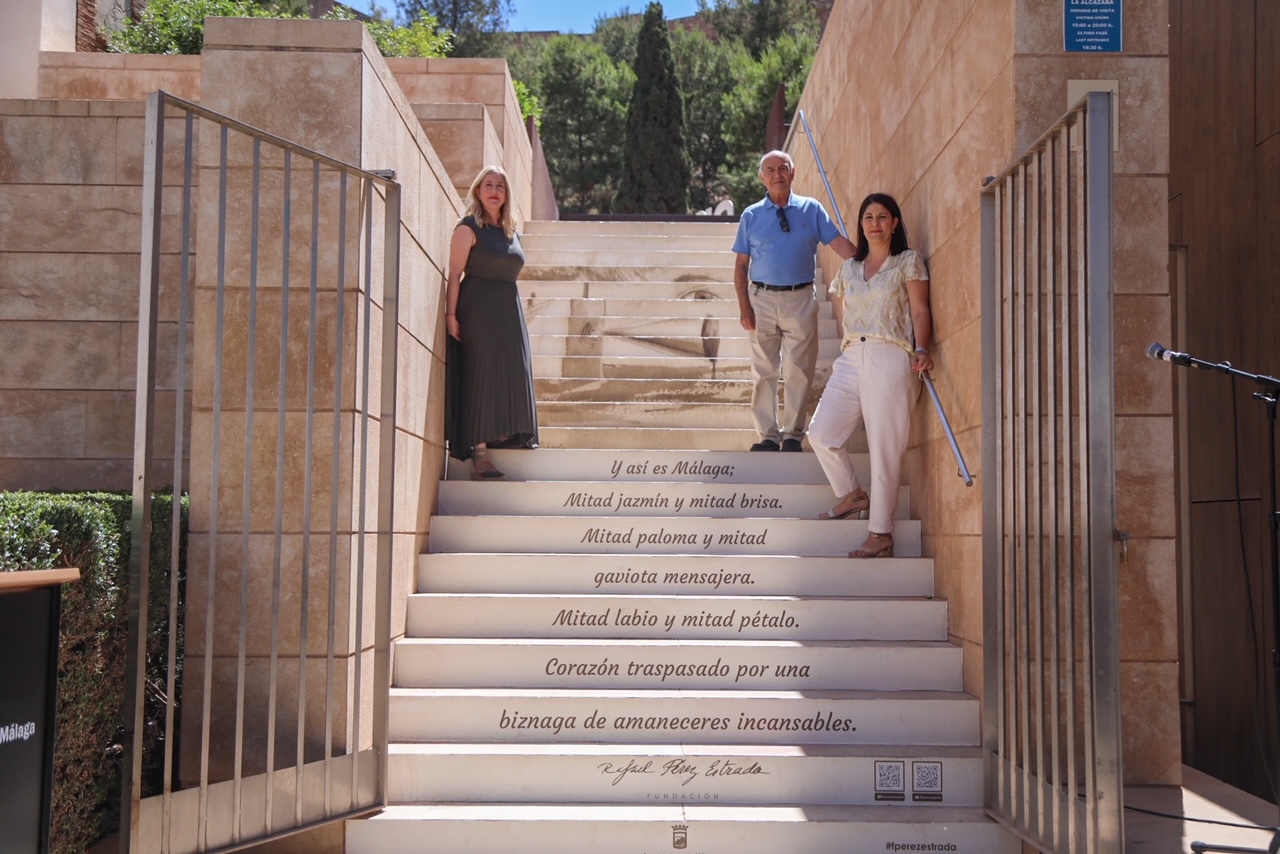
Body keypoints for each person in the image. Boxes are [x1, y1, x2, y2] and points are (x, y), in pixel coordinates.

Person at [808, 192, 934, 558]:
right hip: (851, 356)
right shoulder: (849, 268)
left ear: (895, 223)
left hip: (890, 354)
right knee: (821, 433)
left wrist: (922, 348)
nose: (874, 223)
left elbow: (921, 311)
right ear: (860, 225)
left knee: (885, 448)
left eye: (882, 216)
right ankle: (852, 493)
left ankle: (880, 533)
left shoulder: (908, 261)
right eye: (868, 217)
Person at [732, 151, 856, 452]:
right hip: (761, 298)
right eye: (770, 169)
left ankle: (792, 436)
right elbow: (740, 266)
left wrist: (871, 263)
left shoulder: (811, 209)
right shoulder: (750, 215)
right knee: (764, 370)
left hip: (800, 298)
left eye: (783, 168)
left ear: (793, 172)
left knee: (799, 370)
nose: (777, 174)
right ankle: (767, 436)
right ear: (762, 177)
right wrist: (744, 307)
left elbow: (838, 243)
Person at [444, 166, 539, 480]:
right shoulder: (468, 228)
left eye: (500, 185)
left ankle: (505, 431)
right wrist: (451, 315)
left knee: (515, 369)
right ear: (477, 191)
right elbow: (455, 276)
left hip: (509, 310)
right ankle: (480, 453)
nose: (494, 190)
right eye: (488, 184)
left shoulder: (512, 232)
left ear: (506, 193)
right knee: (481, 375)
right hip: (478, 309)